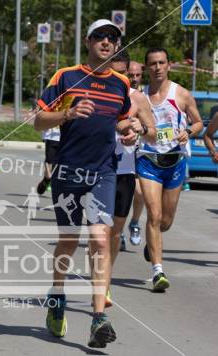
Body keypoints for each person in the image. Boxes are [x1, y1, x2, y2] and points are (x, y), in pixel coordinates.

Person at [34, 19, 135, 348]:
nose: (107, 41)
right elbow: (39, 121)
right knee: (68, 242)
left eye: (112, 37)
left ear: (117, 46)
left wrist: (129, 131)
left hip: (104, 171)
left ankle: (98, 319)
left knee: (101, 239)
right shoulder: (67, 77)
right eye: (100, 36)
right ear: (88, 41)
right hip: (69, 171)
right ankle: (57, 294)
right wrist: (68, 113)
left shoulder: (121, 84)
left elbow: (122, 121)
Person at [137, 47, 203, 292]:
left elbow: (197, 122)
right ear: (147, 67)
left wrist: (188, 132)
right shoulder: (139, 96)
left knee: (166, 220)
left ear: (168, 65)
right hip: (148, 160)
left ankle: (153, 242)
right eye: (152, 63)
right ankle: (158, 272)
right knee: (153, 216)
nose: (157, 67)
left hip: (174, 162)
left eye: (161, 63)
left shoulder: (181, 94)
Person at [103, 50, 155, 305]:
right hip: (96, 170)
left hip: (123, 172)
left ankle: (105, 280)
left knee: (113, 233)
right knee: (98, 232)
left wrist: (140, 128)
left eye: (124, 73)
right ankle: (100, 279)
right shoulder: (95, 93)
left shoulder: (137, 99)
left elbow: (154, 133)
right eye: (115, 73)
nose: (121, 78)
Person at [127, 60, 146, 245]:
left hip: (139, 151)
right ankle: (119, 229)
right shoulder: (119, 92)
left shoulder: (145, 95)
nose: (134, 79)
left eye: (137, 75)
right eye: (130, 75)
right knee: (119, 195)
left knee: (139, 193)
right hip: (119, 150)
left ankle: (134, 222)